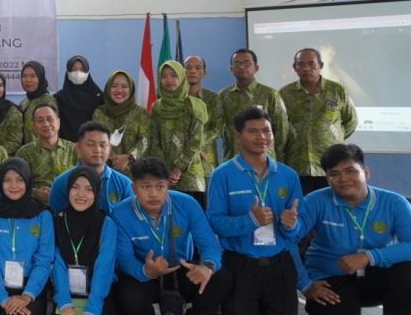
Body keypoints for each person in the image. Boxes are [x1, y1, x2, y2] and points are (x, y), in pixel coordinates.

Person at [293, 144, 411, 315]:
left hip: (375, 275)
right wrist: (305, 284)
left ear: (366, 173)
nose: (343, 179)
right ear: (327, 178)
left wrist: (368, 257)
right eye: (334, 174)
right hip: (329, 280)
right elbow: (288, 242)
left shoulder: (395, 203)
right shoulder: (315, 201)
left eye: (350, 171)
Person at [206, 106, 304, 315]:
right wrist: (250, 220)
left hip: (280, 264)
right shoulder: (222, 175)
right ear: (238, 136)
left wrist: (292, 225)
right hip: (239, 265)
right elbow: (214, 222)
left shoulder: (288, 175)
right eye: (252, 131)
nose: (261, 137)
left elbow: (299, 225)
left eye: (266, 131)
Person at [108, 157, 231, 315]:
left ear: (168, 185)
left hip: (182, 269)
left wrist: (207, 266)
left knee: (221, 277)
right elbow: (124, 259)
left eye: (160, 186)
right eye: (145, 186)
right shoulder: (120, 213)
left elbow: (209, 243)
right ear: (134, 188)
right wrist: (146, 271)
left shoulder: (187, 203)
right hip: (145, 273)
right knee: (127, 295)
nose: (153, 194)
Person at [0, 158, 54, 315]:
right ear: (0, 182)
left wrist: (27, 295)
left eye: (19, 180)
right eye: (7, 180)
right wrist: (3, 299)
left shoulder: (42, 215)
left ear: (28, 181)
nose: (13, 186)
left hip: (32, 287)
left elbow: (44, 260)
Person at [280, 48, 358, 196]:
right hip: (297, 164)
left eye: (311, 64)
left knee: (332, 204)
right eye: (301, 64)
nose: (306, 68)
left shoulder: (337, 90)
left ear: (320, 65)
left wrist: (331, 137)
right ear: (295, 68)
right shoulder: (285, 93)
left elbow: (350, 121)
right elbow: (280, 127)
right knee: (300, 205)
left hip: (330, 164)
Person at [51, 167, 119, 315]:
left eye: (89, 189)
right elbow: (57, 265)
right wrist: (65, 305)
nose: (81, 194)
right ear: (68, 189)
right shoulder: (57, 221)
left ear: (97, 192)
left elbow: (104, 268)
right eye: (75, 187)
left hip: (98, 296)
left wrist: (92, 310)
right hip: (64, 295)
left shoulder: (106, 224)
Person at [149, 60, 210, 206]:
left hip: (191, 175)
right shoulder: (157, 107)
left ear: (182, 77)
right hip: (163, 176)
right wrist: (164, 170)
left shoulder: (196, 105)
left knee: (193, 216)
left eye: (174, 75)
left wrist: (177, 169)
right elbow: (154, 140)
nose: (169, 80)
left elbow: (195, 141)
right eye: (164, 76)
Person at [219, 48, 289, 164]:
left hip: (264, 159)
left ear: (256, 68)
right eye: (237, 63)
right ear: (231, 69)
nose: (242, 67)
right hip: (233, 159)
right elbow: (218, 128)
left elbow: (282, 130)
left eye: (247, 63)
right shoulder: (223, 95)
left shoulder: (270, 94)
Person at [48, 121, 133, 214]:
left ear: (109, 148)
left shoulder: (124, 184)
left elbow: (130, 218)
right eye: (91, 144)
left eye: (102, 145)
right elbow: (54, 218)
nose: (97, 150)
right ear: (78, 147)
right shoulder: (62, 182)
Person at [14, 104, 77, 203]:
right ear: (33, 126)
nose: (46, 124)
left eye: (50, 119)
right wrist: (35, 193)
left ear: (58, 122)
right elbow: (16, 184)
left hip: (70, 203)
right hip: (37, 206)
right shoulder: (25, 152)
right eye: (40, 120)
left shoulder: (74, 149)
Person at [91, 71, 149, 173]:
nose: (119, 90)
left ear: (131, 89)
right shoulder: (99, 113)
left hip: (134, 172)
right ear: (108, 89)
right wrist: (114, 161)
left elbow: (145, 140)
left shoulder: (140, 113)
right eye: (114, 86)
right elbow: (96, 140)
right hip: (105, 170)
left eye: (124, 87)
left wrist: (129, 158)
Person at [185, 55, 224, 188]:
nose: (193, 71)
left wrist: (195, 144)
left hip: (206, 161)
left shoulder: (213, 98)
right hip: (179, 165)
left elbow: (217, 129)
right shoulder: (175, 99)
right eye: (188, 68)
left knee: (208, 197)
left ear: (204, 73)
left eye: (198, 68)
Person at [54, 55, 104, 143]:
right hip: (64, 148)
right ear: (68, 72)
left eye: (82, 70)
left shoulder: (98, 97)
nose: (78, 73)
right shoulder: (58, 98)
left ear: (87, 72)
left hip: (91, 146)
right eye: (74, 69)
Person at [17, 61, 57, 145]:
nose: (28, 80)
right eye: (24, 76)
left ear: (40, 77)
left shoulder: (48, 101)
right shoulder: (24, 103)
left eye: (33, 76)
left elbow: (52, 133)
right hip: (24, 151)